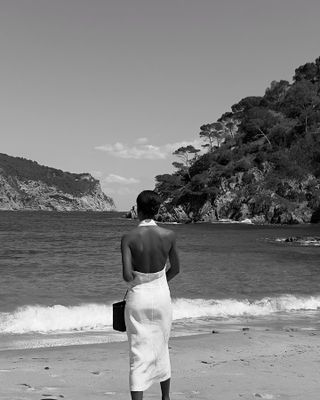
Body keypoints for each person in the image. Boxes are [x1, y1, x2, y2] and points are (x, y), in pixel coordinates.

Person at [121, 190, 180, 400]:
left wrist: (143, 281)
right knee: (162, 346)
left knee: (138, 352)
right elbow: (175, 269)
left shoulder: (128, 238)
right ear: (157, 210)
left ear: (137, 209)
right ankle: (166, 398)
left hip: (138, 298)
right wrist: (159, 281)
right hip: (162, 297)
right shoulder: (169, 235)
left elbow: (127, 276)